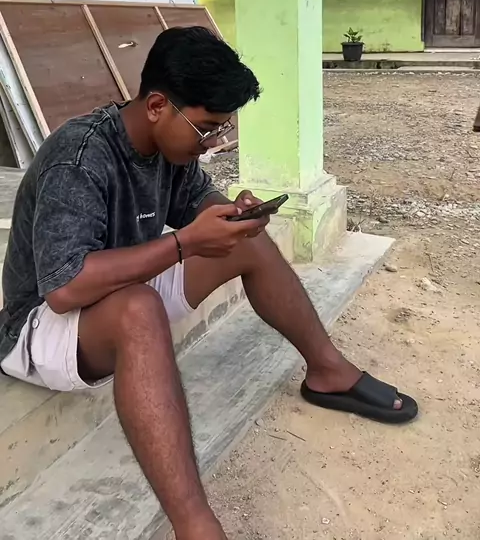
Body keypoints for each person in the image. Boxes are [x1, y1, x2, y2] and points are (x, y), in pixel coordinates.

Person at [0, 27, 417, 540]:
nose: (213, 142)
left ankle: (328, 370)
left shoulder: (169, 149)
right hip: (40, 327)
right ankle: (195, 527)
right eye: (206, 129)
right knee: (137, 309)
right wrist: (183, 244)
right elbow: (64, 289)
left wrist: (234, 214)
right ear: (158, 106)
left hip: (117, 294)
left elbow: (200, 203)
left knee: (245, 244)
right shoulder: (80, 156)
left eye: (221, 129)